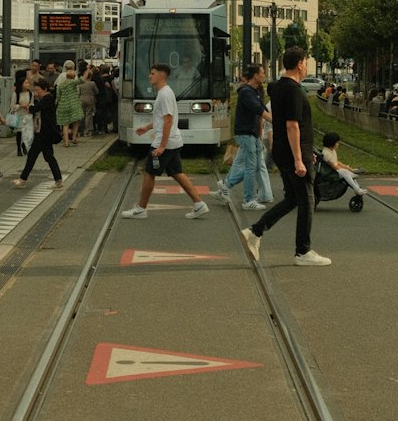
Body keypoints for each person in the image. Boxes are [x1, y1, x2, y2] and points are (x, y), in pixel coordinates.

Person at [239, 47, 331, 266]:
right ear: (300, 63)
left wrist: (306, 153)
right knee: (307, 200)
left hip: (284, 150)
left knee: (292, 198)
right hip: (293, 153)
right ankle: (303, 252)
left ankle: (256, 231)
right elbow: (292, 126)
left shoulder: (278, 87)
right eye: (306, 62)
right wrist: (300, 158)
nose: (307, 65)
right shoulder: (293, 90)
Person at [120, 63, 209, 220]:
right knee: (177, 173)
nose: (149, 76)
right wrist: (147, 128)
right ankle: (199, 204)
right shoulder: (164, 93)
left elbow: (168, 120)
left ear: (161, 75)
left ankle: (141, 209)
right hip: (172, 141)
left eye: (152, 73)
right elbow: (161, 119)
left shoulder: (164, 94)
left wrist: (161, 146)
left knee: (149, 173)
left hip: (165, 143)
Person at [213, 64, 269, 210]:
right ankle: (248, 200)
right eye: (262, 73)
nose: (264, 75)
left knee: (255, 166)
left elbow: (262, 108)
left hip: (253, 134)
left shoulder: (255, 91)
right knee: (251, 167)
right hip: (246, 134)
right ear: (255, 76)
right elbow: (257, 109)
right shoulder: (246, 92)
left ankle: (226, 186)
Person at [13, 79, 63, 189]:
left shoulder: (48, 98)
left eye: (38, 90)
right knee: (48, 157)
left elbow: (36, 108)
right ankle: (58, 180)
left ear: (44, 89)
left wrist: (28, 106)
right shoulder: (43, 98)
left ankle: (23, 179)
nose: (36, 92)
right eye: (35, 90)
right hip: (43, 133)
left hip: (44, 133)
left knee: (33, 155)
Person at [55, 61, 83, 147]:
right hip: (74, 103)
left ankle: (66, 142)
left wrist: (58, 102)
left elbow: (58, 93)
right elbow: (78, 88)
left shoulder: (60, 77)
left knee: (65, 124)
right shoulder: (74, 77)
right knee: (75, 121)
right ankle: (74, 137)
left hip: (63, 104)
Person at [12, 75, 33, 155]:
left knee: (26, 132)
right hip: (18, 115)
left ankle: (24, 146)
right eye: (26, 83)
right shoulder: (16, 94)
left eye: (28, 83)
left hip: (27, 115)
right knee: (19, 132)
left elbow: (32, 103)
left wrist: (29, 106)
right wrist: (20, 106)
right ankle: (18, 148)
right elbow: (12, 106)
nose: (28, 84)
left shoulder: (30, 94)